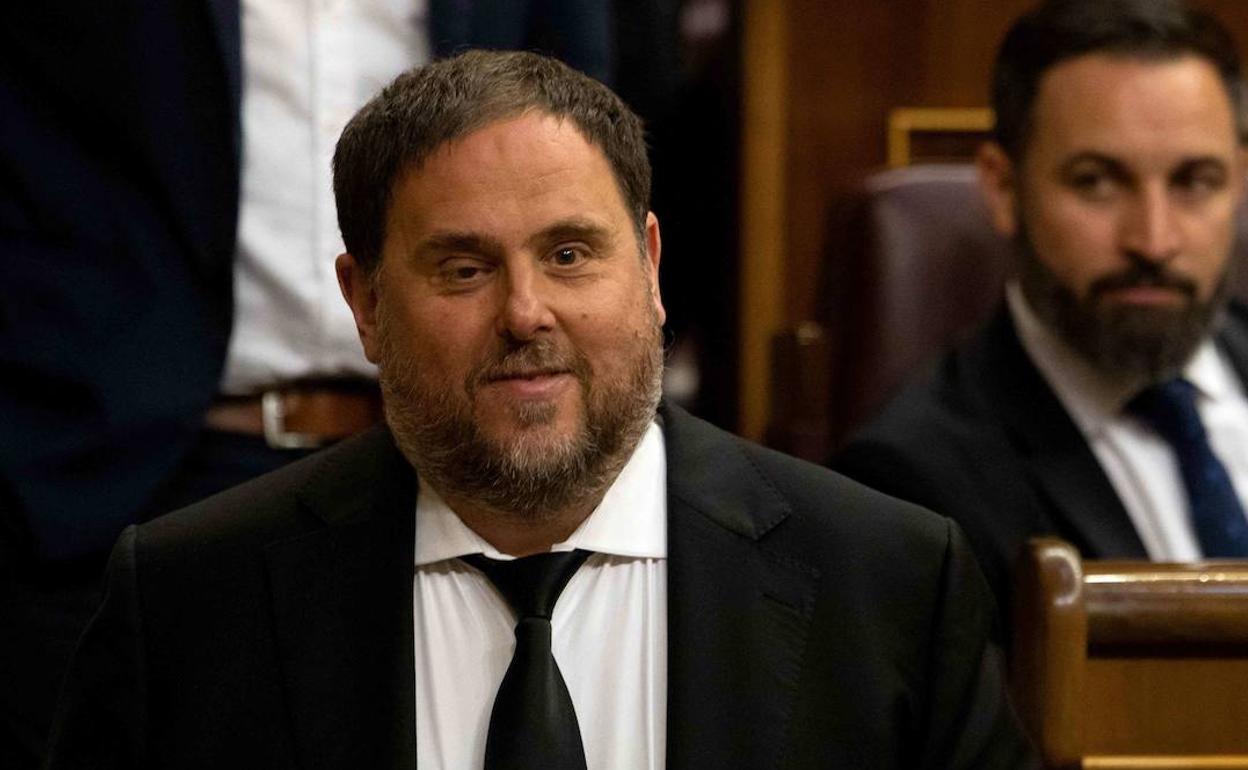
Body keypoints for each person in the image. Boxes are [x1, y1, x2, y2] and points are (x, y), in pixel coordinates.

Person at [45, 50, 1036, 769]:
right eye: (463, 267)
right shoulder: (188, 604)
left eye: (569, 253)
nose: (526, 313)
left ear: (650, 265)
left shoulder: (891, 583)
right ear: (367, 303)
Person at [838, 0, 1248, 621]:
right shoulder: (913, 488)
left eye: (1195, 181)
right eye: (1096, 181)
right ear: (1004, 188)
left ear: (1238, 183)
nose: (1154, 240)